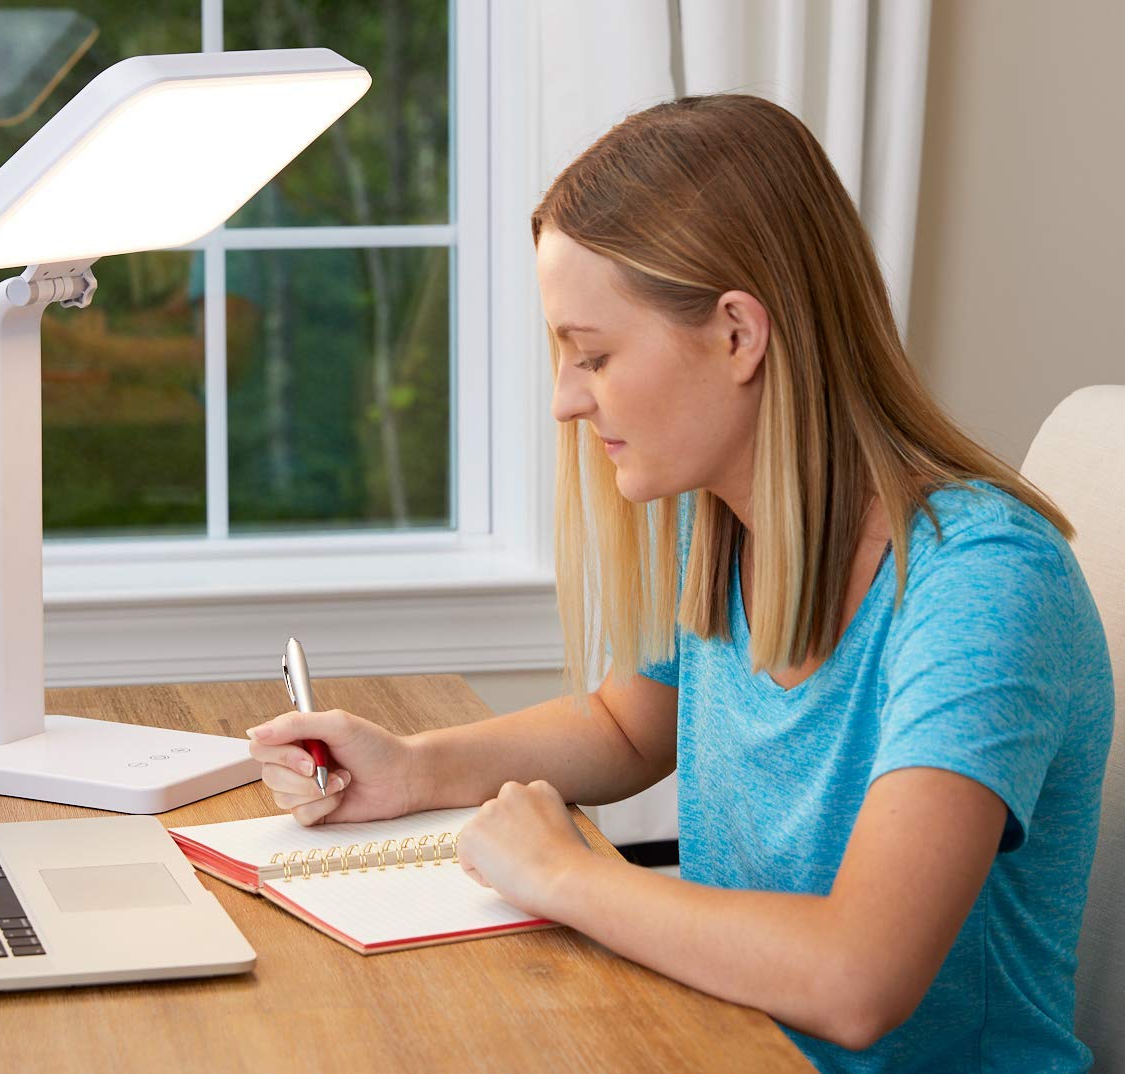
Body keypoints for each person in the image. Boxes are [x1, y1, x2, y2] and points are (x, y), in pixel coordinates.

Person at [246, 95, 1113, 1072]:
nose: (569, 400)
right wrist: (413, 767)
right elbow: (627, 727)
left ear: (739, 334)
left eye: (595, 355)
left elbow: (857, 981)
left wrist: (566, 879)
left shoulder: (985, 585)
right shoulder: (726, 524)